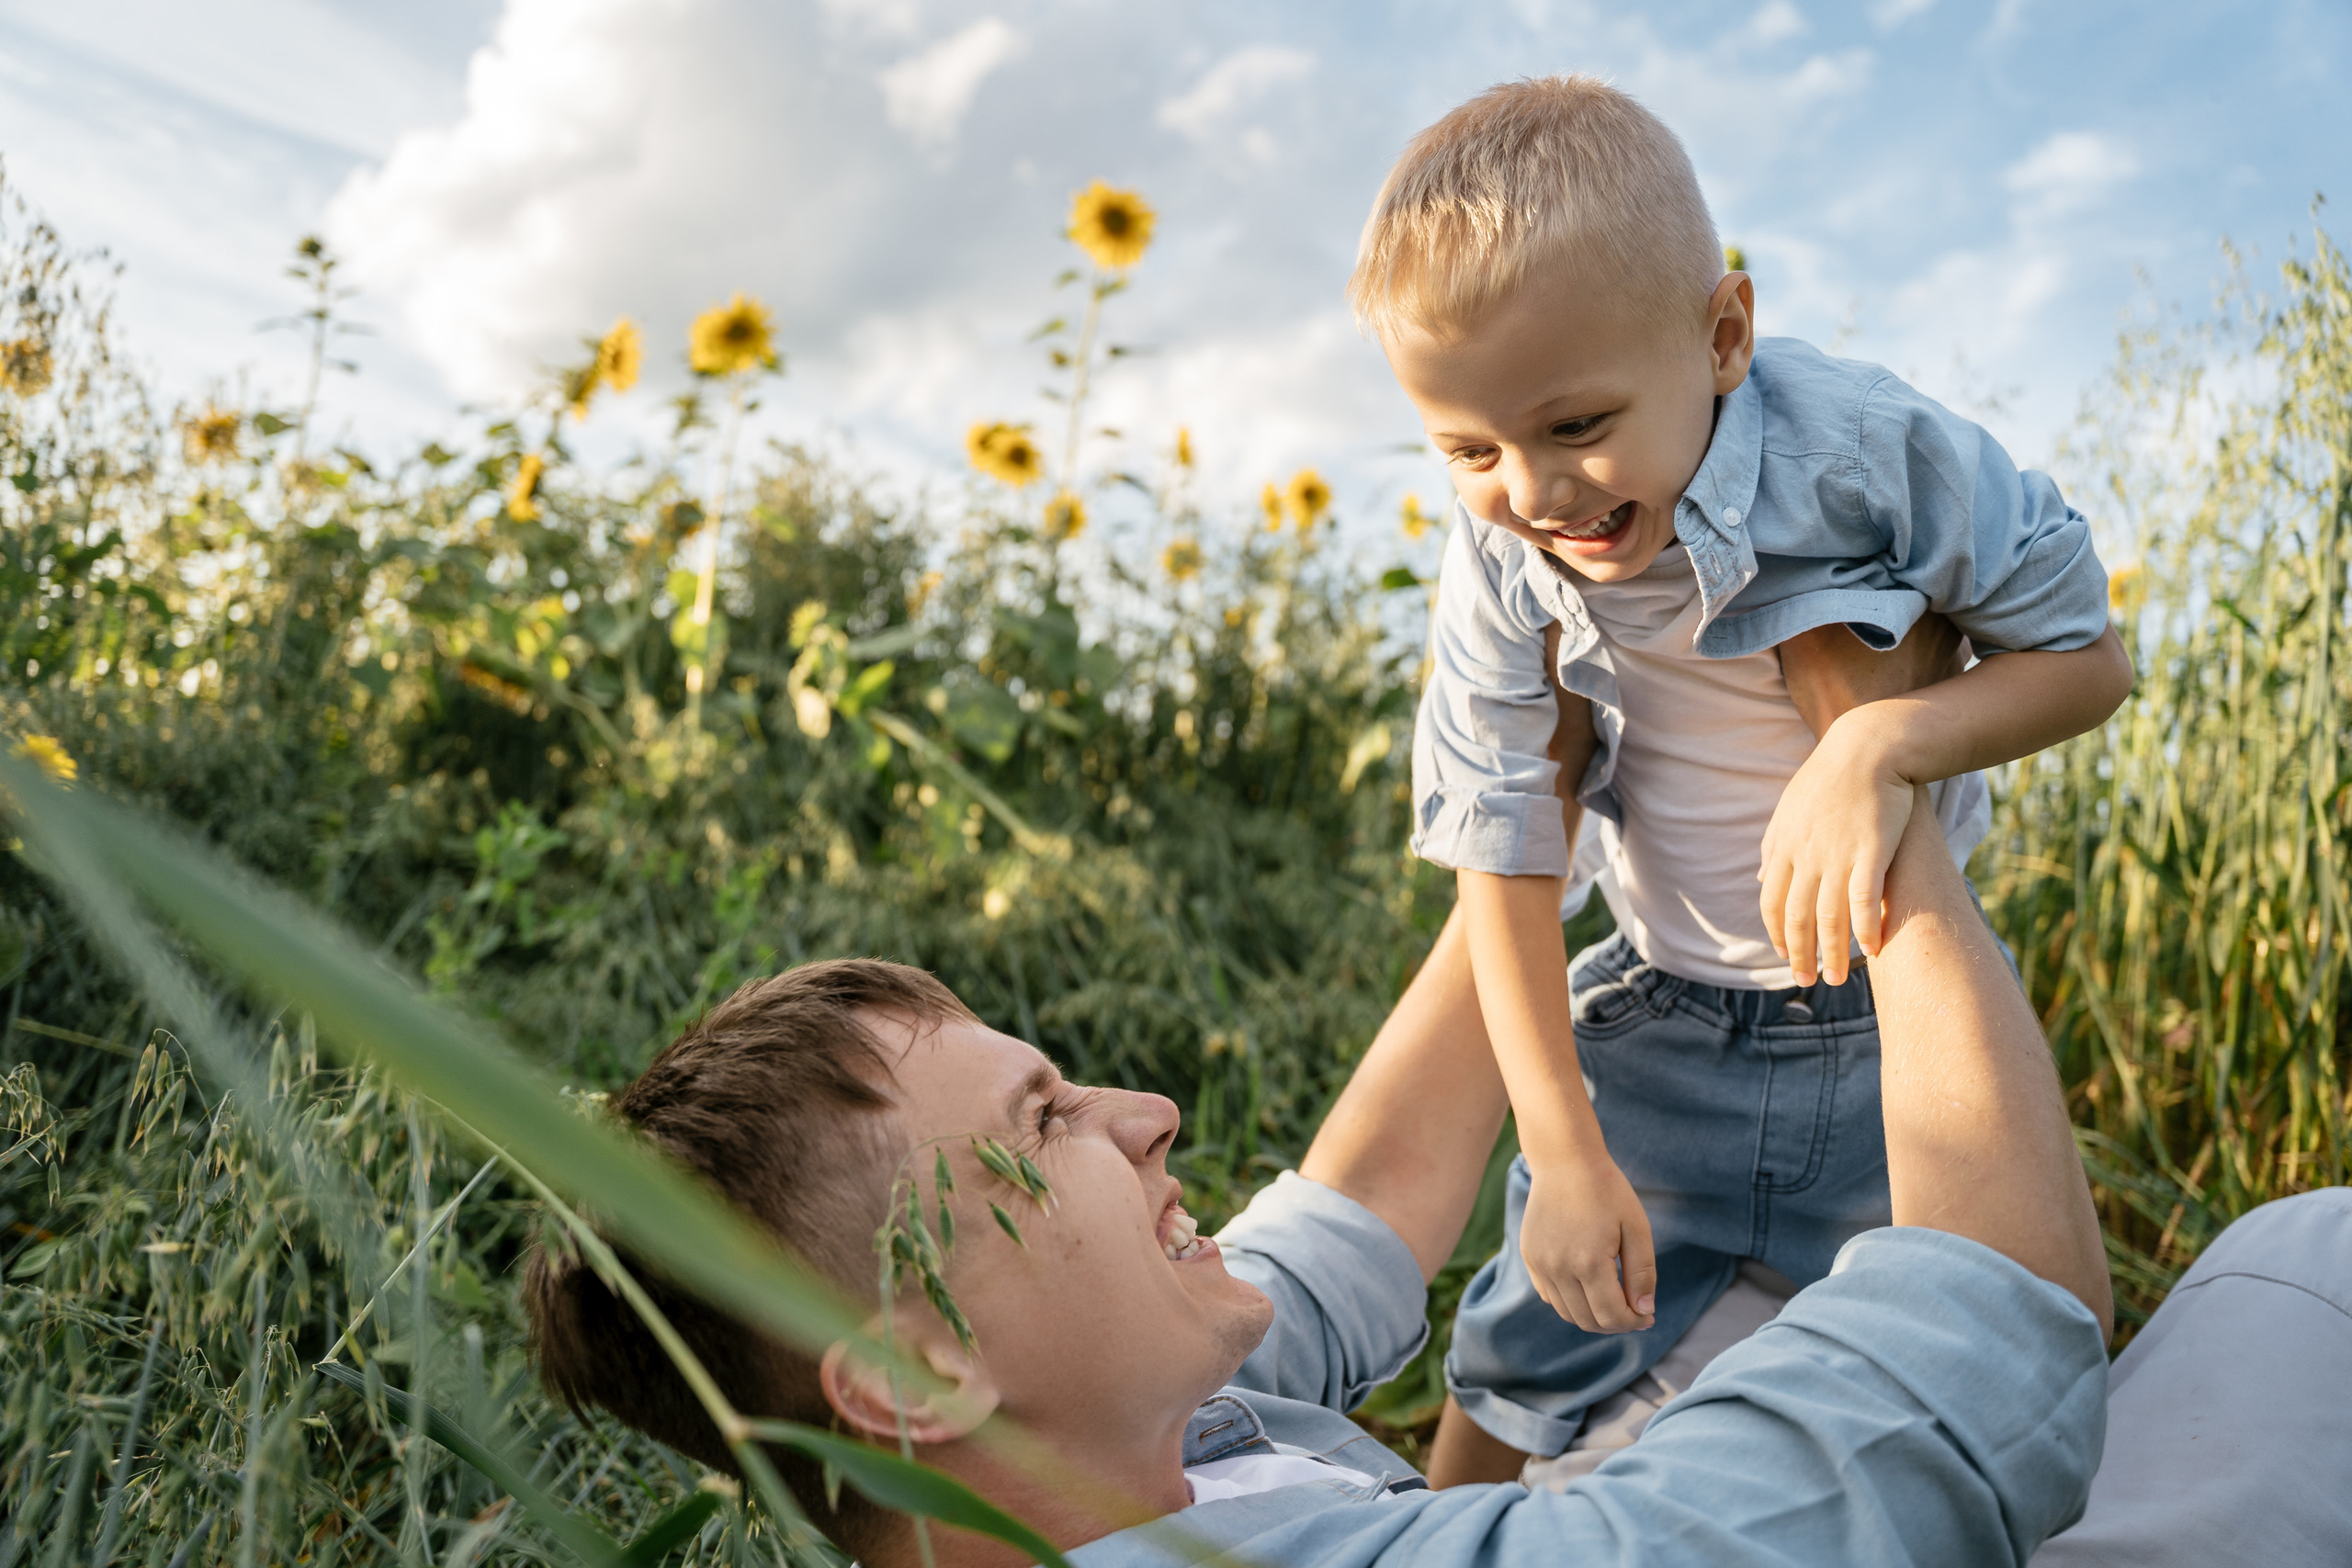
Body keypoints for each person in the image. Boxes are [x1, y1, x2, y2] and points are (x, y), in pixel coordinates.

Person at [526, 797, 2124, 1566]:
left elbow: (1372, 1193)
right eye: (1045, 1121)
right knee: (2266, 1289)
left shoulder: (1109, 1447)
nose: (1150, 1115)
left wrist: (1535, 808)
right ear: (915, 1374)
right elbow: (1996, 1333)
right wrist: (1874, 788)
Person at [1347, 75, 2135, 1480]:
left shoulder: (1868, 453)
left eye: (1576, 426)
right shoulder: (1504, 559)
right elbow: (1504, 847)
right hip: (1668, 1032)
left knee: (1973, 1363)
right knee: (1528, 1347)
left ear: (1723, 336)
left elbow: (2087, 657)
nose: (1533, 492)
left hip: (1889, 1030)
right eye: (1469, 450)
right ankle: (1429, 1531)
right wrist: (1563, 1149)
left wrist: (1881, 743)